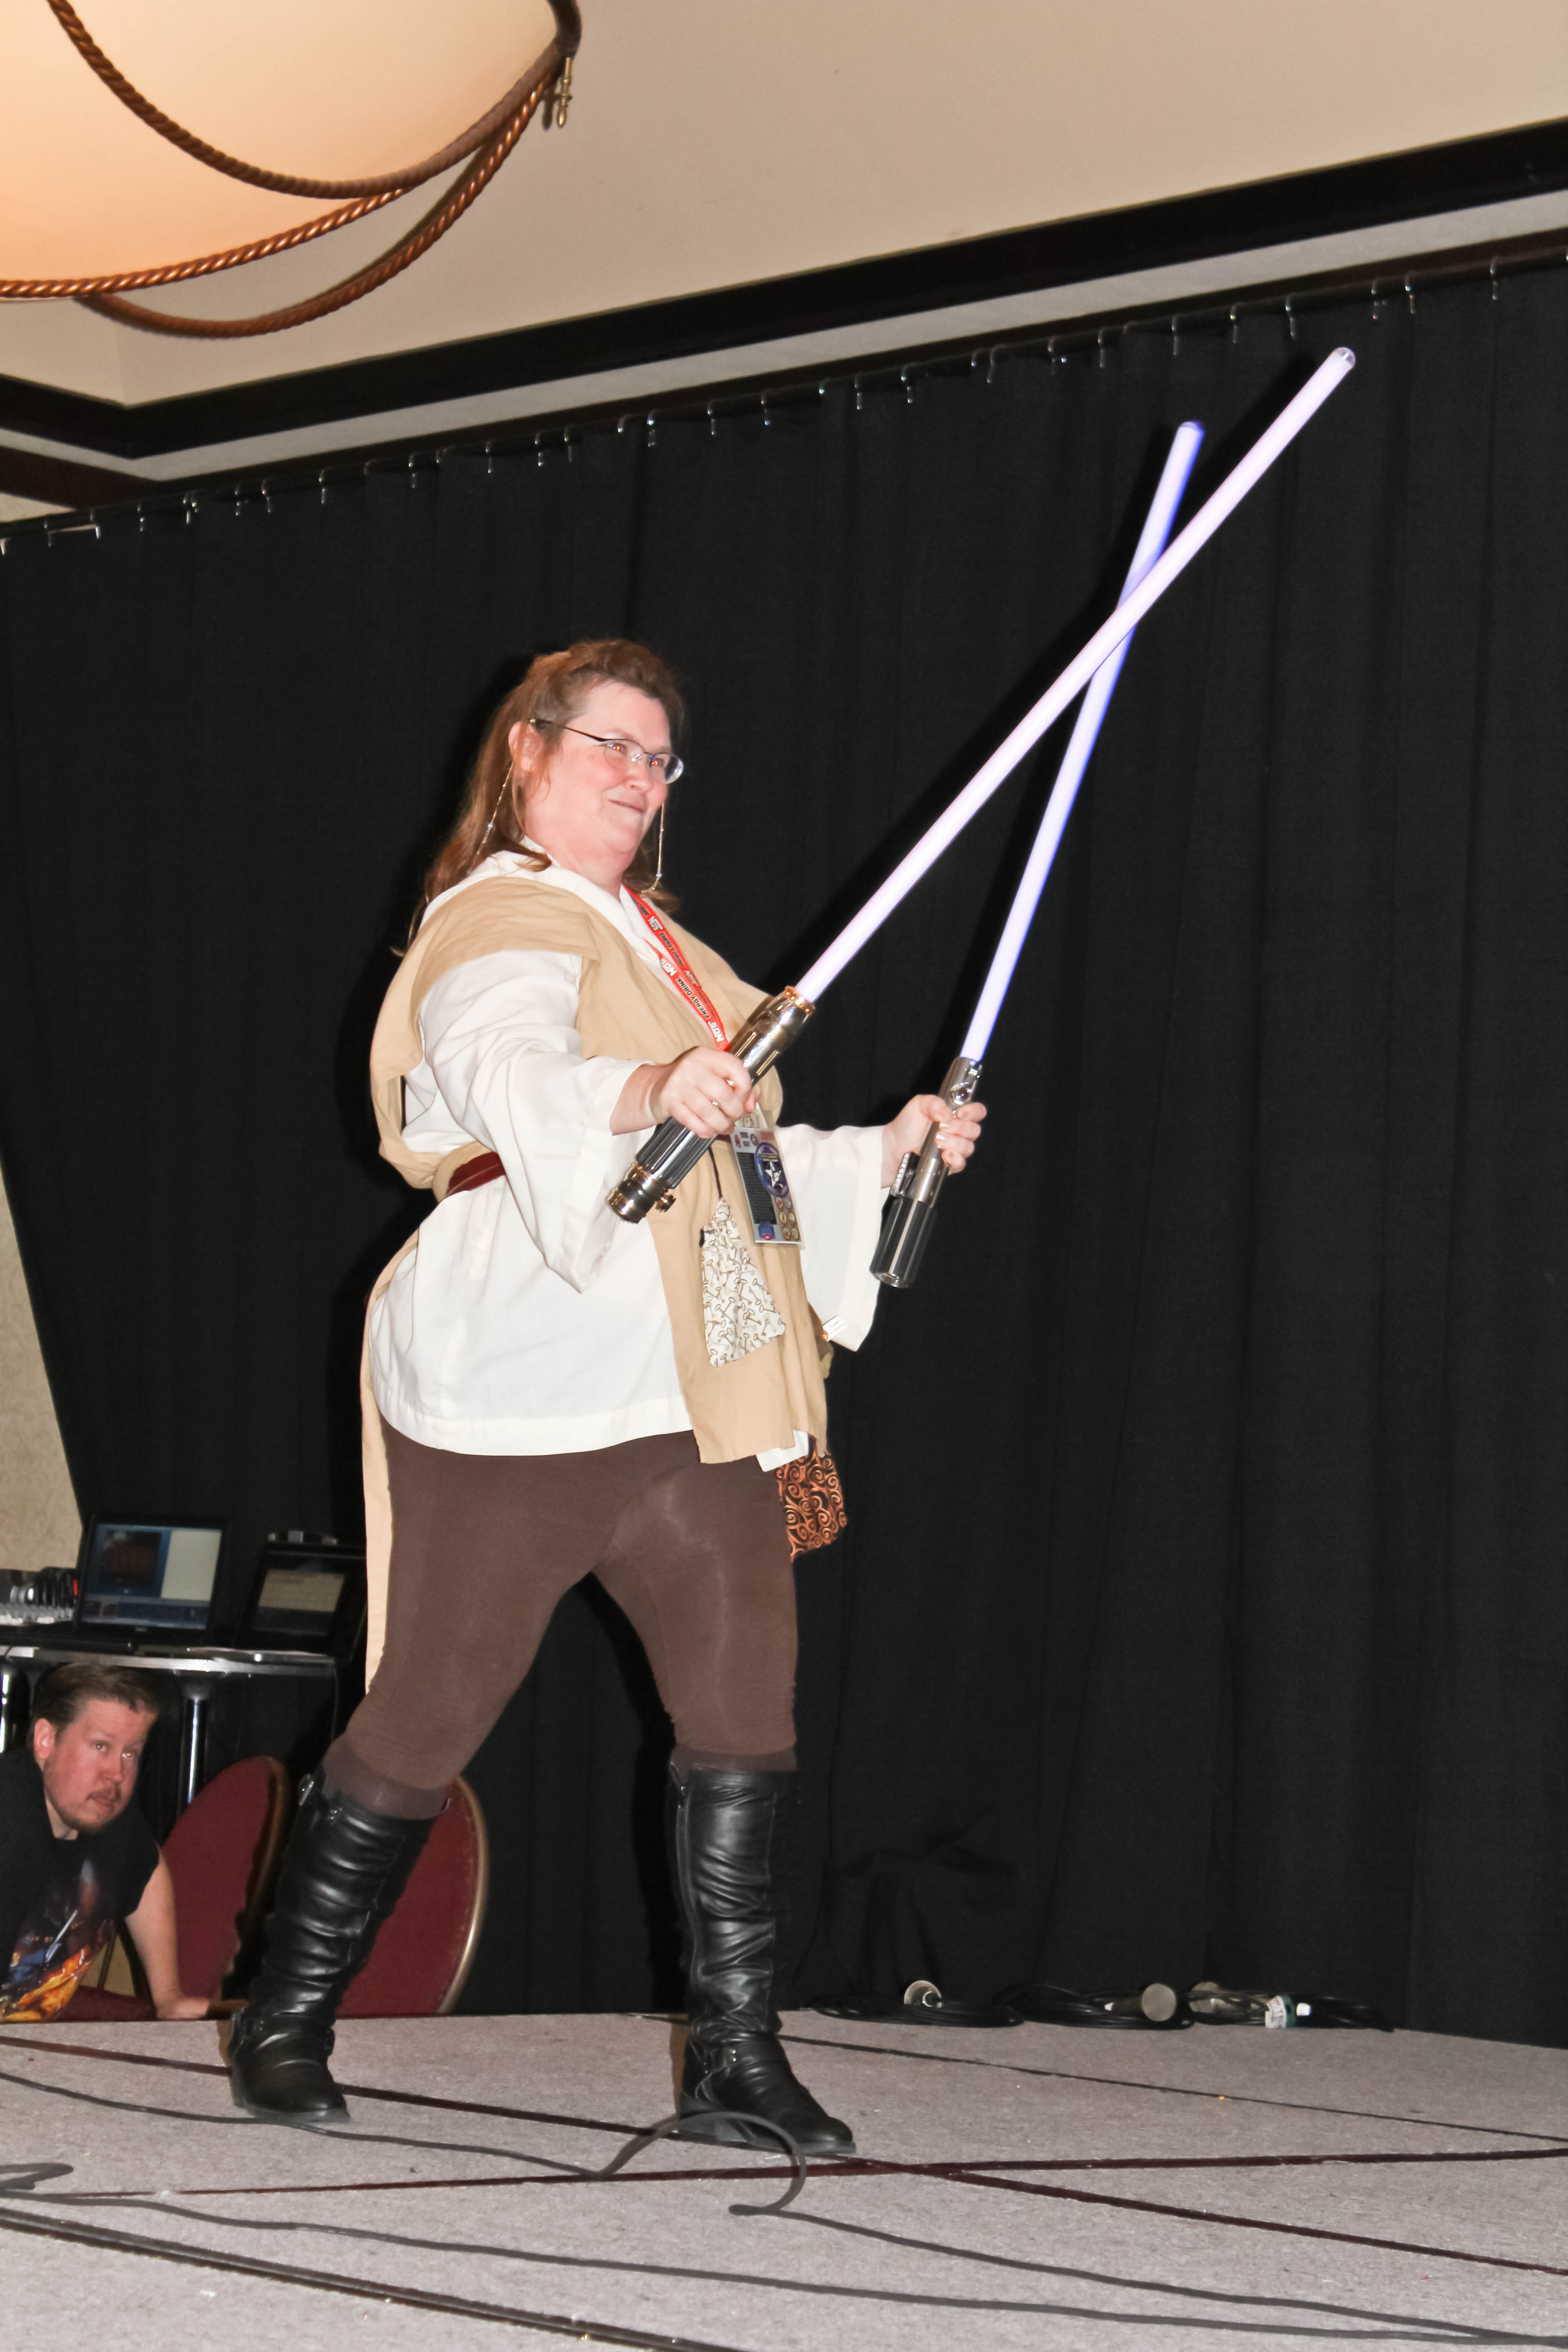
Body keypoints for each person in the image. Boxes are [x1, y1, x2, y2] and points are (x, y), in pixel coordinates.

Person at [228, 640, 985, 2149]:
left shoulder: (668, 951)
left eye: (658, 758)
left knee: (744, 1709)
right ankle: (284, 2015)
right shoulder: (497, 917)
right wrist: (644, 1090)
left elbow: (734, 1158)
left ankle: (735, 2055)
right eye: (608, 747)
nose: (640, 778)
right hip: (527, 1374)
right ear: (526, 750)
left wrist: (886, 1149)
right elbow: (512, 1070)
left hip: (695, 1377)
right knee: (431, 1706)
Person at [0, 1659, 208, 2022]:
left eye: (130, 1753)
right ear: (46, 1740)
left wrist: (168, 1995)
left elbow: (146, 1865)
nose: (117, 1774)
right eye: (100, 1746)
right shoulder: (11, 1827)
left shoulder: (102, 1811)